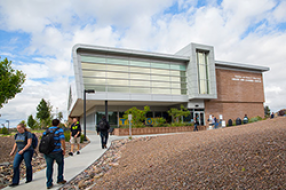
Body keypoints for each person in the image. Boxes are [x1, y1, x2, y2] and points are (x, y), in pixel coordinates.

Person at [43, 119, 66, 189]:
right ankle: (60, 179)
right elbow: (62, 140)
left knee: (49, 167)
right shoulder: (59, 130)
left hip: (48, 152)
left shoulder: (47, 130)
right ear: (58, 124)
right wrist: (64, 149)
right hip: (57, 151)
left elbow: (43, 139)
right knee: (60, 164)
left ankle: (49, 183)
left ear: (52, 123)